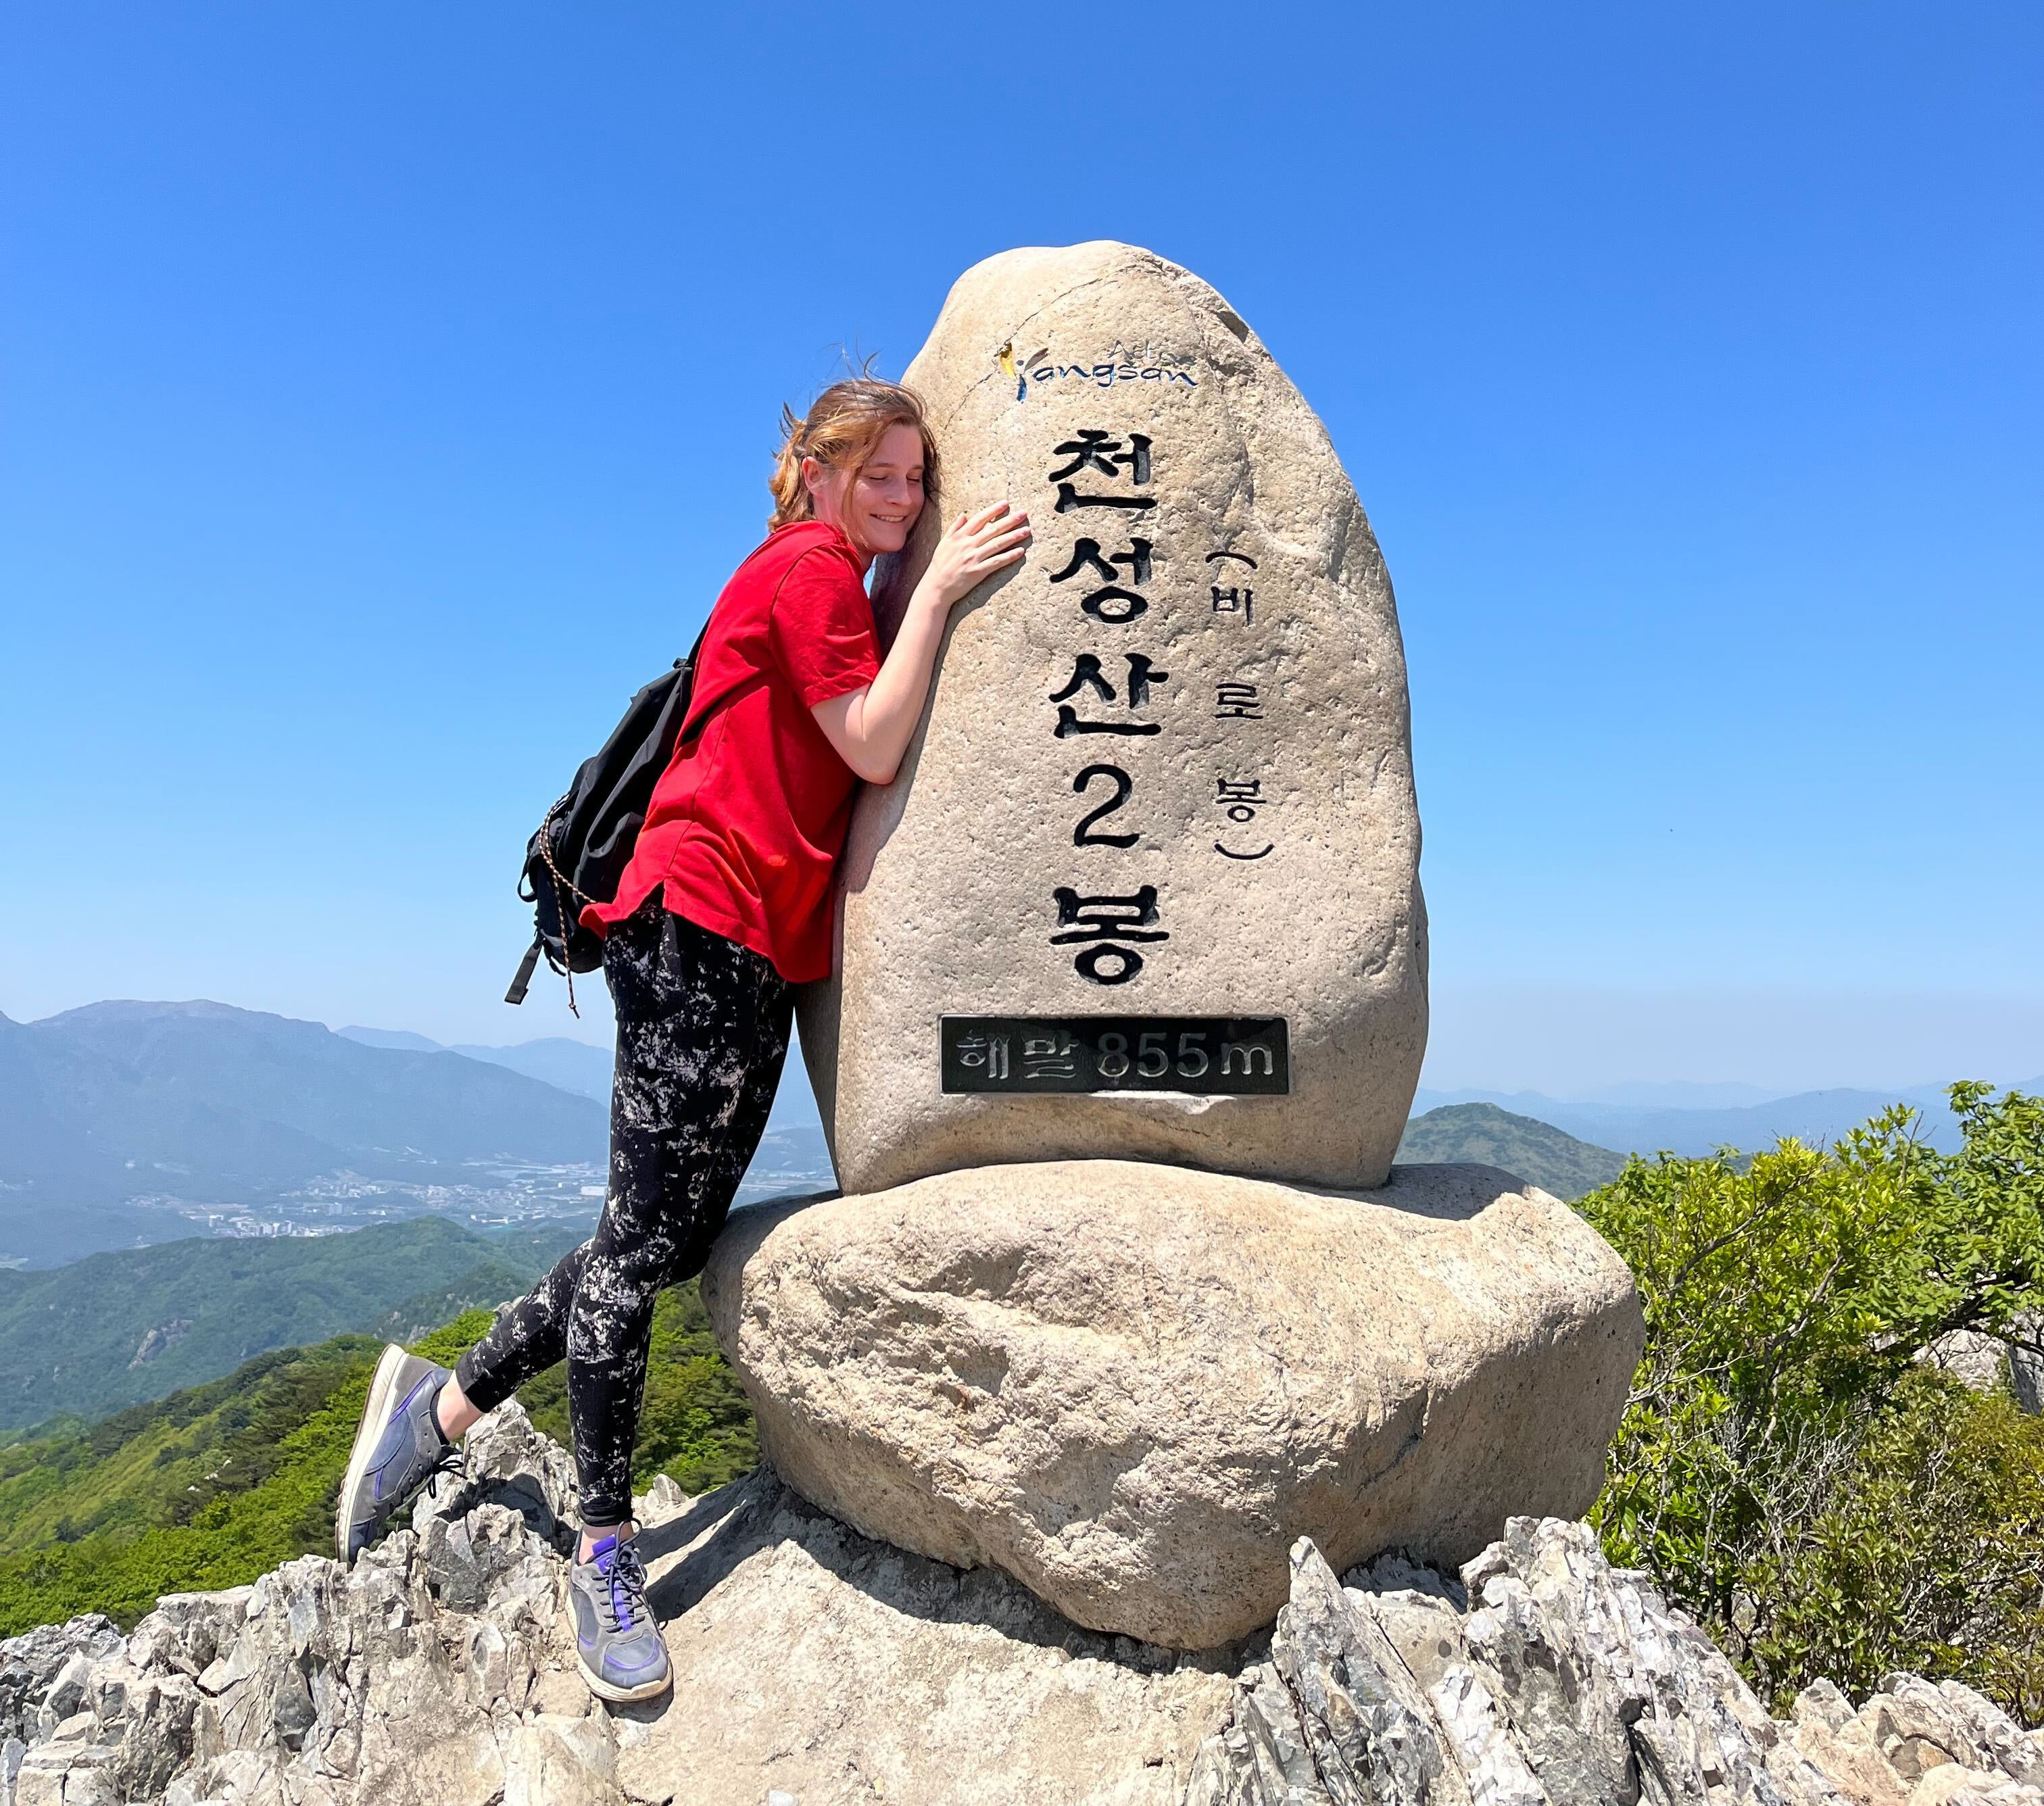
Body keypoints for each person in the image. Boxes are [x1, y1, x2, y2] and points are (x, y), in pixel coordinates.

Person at [334, 377, 1029, 1702]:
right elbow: (871, 745)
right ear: (814, 472)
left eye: (916, 480)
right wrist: (940, 591)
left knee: (660, 1239)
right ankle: (606, 1546)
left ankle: (440, 1410)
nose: (903, 498)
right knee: (644, 1242)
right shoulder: (815, 571)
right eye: (878, 474)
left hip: (745, 942)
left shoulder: (808, 569)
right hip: (700, 926)